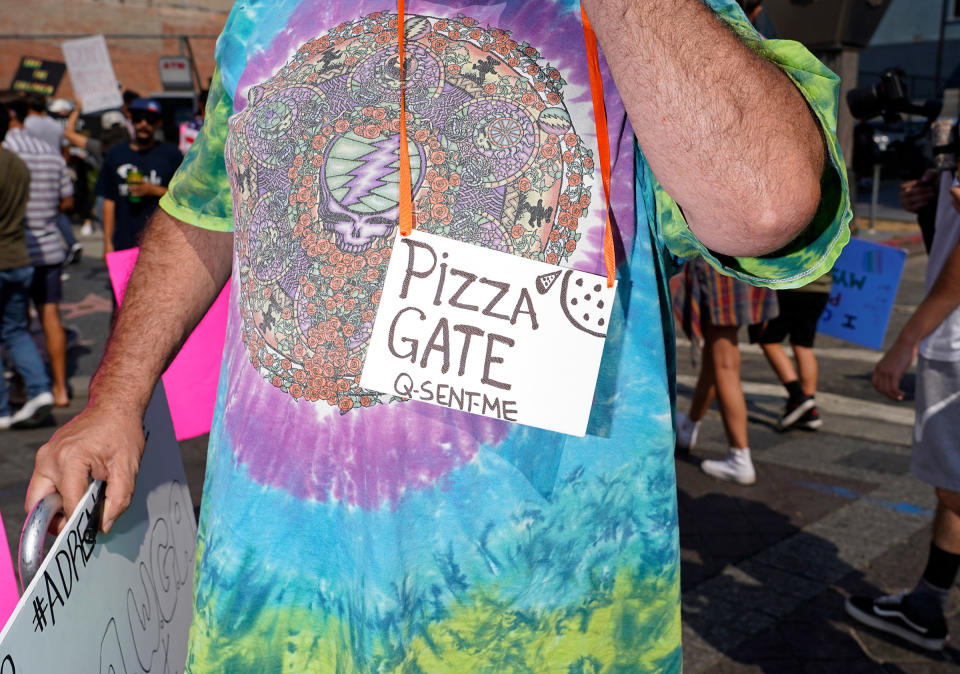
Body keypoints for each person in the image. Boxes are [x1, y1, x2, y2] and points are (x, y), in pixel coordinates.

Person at [27, 1, 850, 669]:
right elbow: (203, 212)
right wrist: (115, 398)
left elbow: (764, 205)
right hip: (276, 613)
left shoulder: (641, 21)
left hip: (534, 621)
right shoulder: (267, 16)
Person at [845, 159, 960, 651]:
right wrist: (932, 208)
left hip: (953, 341)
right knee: (951, 486)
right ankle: (926, 602)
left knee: (955, 491)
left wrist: (907, 339)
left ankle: (926, 604)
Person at [674, 256, 778, 485]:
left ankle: (739, 456)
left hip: (722, 264)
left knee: (724, 363)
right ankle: (689, 427)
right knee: (715, 357)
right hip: (750, 260)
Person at [2, 92, 73, 411]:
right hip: (49, 248)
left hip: (14, 247)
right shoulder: (49, 151)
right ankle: (59, 388)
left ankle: (21, 387)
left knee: (16, 324)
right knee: (50, 316)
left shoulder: (8, 152)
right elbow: (67, 201)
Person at [0, 100, 56, 429]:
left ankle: (3, 408)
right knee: (16, 329)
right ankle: (38, 389)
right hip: (19, 255)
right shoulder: (18, 165)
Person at [94, 98, 181, 253]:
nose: (144, 124)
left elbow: (183, 198)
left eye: (150, 119)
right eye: (138, 118)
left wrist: (153, 190)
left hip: (160, 244)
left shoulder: (171, 155)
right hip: (123, 243)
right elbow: (108, 200)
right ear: (131, 121)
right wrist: (107, 242)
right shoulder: (116, 153)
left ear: (158, 123)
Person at [748, 271, 833, 429]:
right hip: (821, 287)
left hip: (791, 285)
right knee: (803, 344)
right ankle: (809, 410)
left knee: (769, 341)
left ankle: (798, 397)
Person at [23, 93, 82, 265]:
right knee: (57, 210)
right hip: (53, 170)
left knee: (34, 212)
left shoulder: (26, 124)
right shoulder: (55, 125)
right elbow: (65, 148)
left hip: (33, 171)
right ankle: (71, 242)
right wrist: (61, 167)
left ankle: (41, 245)